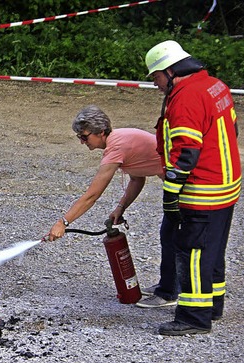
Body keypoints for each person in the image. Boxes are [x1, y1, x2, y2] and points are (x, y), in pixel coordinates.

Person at [145, 40, 242, 335]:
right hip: (226, 184)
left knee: (192, 251)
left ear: (171, 70)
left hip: (203, 188)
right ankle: (213, 306)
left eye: (156, 77)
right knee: (213, 248)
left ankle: (193, 317)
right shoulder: (214, 85)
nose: (155, 84)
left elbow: (186, 150)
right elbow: (233, 129)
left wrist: (171, 194)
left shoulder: (186, 97)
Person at [47, 106, 179, 306]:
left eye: (84, 136)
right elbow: (137, 179)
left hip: (186, 183)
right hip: (174, 183)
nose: (82, 142)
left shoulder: (116, 146)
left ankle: (169, 293)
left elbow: (92, 195)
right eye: (79, 137)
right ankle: (168, 285)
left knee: (173, 236)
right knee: (169, 235)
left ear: (100, 132)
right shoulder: (119, 140)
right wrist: (120, 208)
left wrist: (63, 222)